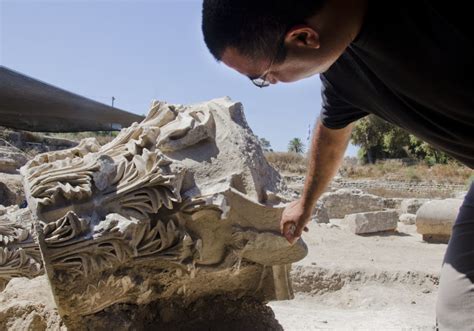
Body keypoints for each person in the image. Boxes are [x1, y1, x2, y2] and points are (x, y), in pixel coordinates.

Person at [201, 0, 474, 329]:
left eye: (263, 76)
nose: (270, 83)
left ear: (303, 37)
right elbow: (331, 133)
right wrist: (306, 203)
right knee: (459, 316)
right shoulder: (342, 69)